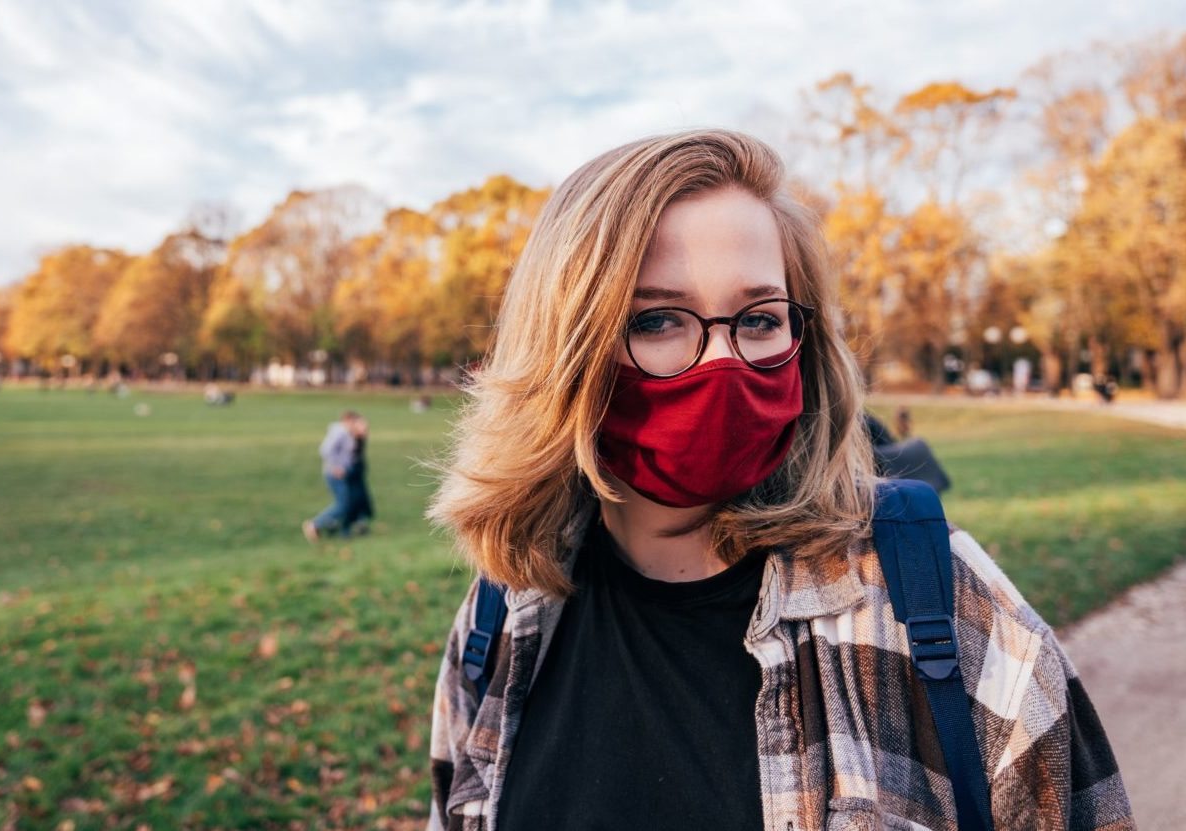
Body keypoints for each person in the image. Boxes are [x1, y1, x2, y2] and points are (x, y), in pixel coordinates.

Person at [425, 130, 1134, 831]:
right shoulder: (502, 618)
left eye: (760, 317)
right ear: (565, 348)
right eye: (658, 319)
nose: (724, 360)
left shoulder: (946, 608)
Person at [303, 410, 359, 541]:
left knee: (344, 503)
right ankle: (315, 524)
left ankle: (335, 528)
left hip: (340, 473)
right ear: (349, 420)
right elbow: (325, 449)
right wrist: (335, 467)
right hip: (334, 474)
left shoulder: (344, 432)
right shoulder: (339, 432)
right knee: (343, 505)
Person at [341, 415, 375, 535]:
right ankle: (345, 527)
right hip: (350, 473)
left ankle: (361, 523)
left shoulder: (360, 439)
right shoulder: (348, 438)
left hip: (358, 472)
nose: (365, 431)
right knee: (351, 500)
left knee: (362, 500)